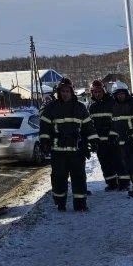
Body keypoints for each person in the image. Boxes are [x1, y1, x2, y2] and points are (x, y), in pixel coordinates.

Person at [39, 78, 95, 211]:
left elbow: (88, 127)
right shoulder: (50, 108)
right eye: (62, 91)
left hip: (77, 150)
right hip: (58, 151)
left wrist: (94, 141)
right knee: (58, 178)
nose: (65, 94)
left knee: (79, 178)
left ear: (72, 92)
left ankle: (80, 204)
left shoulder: (80, 107)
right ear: (59, 92)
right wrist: (44, 143)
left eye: (67, 91)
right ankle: (60, 203)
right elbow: (44, 128)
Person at [88, 80, 126, 191]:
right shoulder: (92, 107)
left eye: (99, 91)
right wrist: (93, 140)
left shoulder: (112, 103)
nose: (97, 94)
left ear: (104, 90)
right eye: (95, 92)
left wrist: (113, 134)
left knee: (118, 161)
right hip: (100, 141)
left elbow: (118, 120)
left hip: (113, 139)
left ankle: (124, 183)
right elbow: (90, 124)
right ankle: (111, 183)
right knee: (105, 164)